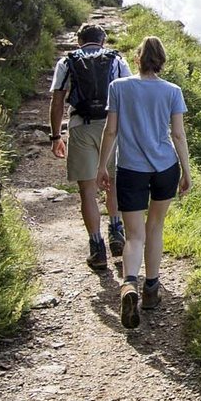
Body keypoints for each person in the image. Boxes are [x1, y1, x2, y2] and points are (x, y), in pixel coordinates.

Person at [98, 36, 193, 329]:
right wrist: (187, 171)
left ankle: (128, 285)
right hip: (165, 167)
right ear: (162, 61)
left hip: (130, 169)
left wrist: (102, 165)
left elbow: (111, 131)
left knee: (134, 235)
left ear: (138, 59)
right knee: (155, 227)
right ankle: (151, 290)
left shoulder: (119, 88)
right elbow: (177, 135)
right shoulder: (172, 92)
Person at [50, 23, 130, 267]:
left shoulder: (67, 62)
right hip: (112, 128)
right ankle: (116, 231)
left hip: (81, 126)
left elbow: (57, 100)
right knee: (113, 184)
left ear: (78, 41)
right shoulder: (117, 60)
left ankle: (97, 249)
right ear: (103, 41)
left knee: (87, 190)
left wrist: (56, 136)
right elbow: (129, 94)